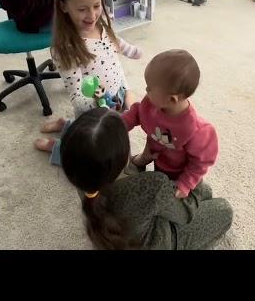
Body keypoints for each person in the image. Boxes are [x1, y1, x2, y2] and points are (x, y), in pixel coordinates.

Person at [60, 107, 233, 250]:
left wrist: (140, 161)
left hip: (128, 228)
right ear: (122, 155)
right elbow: (184, 215)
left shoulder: (80, 170)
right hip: (157, 242)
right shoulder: (153, 185)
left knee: (202, 194)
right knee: (222, 208)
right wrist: (194, 183)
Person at [34, 0, 142, 165]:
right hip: (92, 110)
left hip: (115, 102)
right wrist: (102, 103)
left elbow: (115, 58)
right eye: (82, 9)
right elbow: (77, 98)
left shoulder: (101, 26)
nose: (92, 15)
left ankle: (65, 125)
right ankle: (56, 146)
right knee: (88, 157)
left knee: (113, 146)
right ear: (64, 7)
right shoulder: (65, 49)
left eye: (96, 6)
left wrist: (127, 90)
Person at [121, 49, 218, 199]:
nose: (146, 90)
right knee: (157, 182)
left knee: (176, 198)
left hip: (180, 172)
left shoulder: (197, 131)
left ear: (171, 100)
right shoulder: (151, 103)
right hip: (157, 159)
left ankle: (200, 192)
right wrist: (119, 125)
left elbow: (200, 163)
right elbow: (136, 113)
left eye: (150, 88)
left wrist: (186, 183)